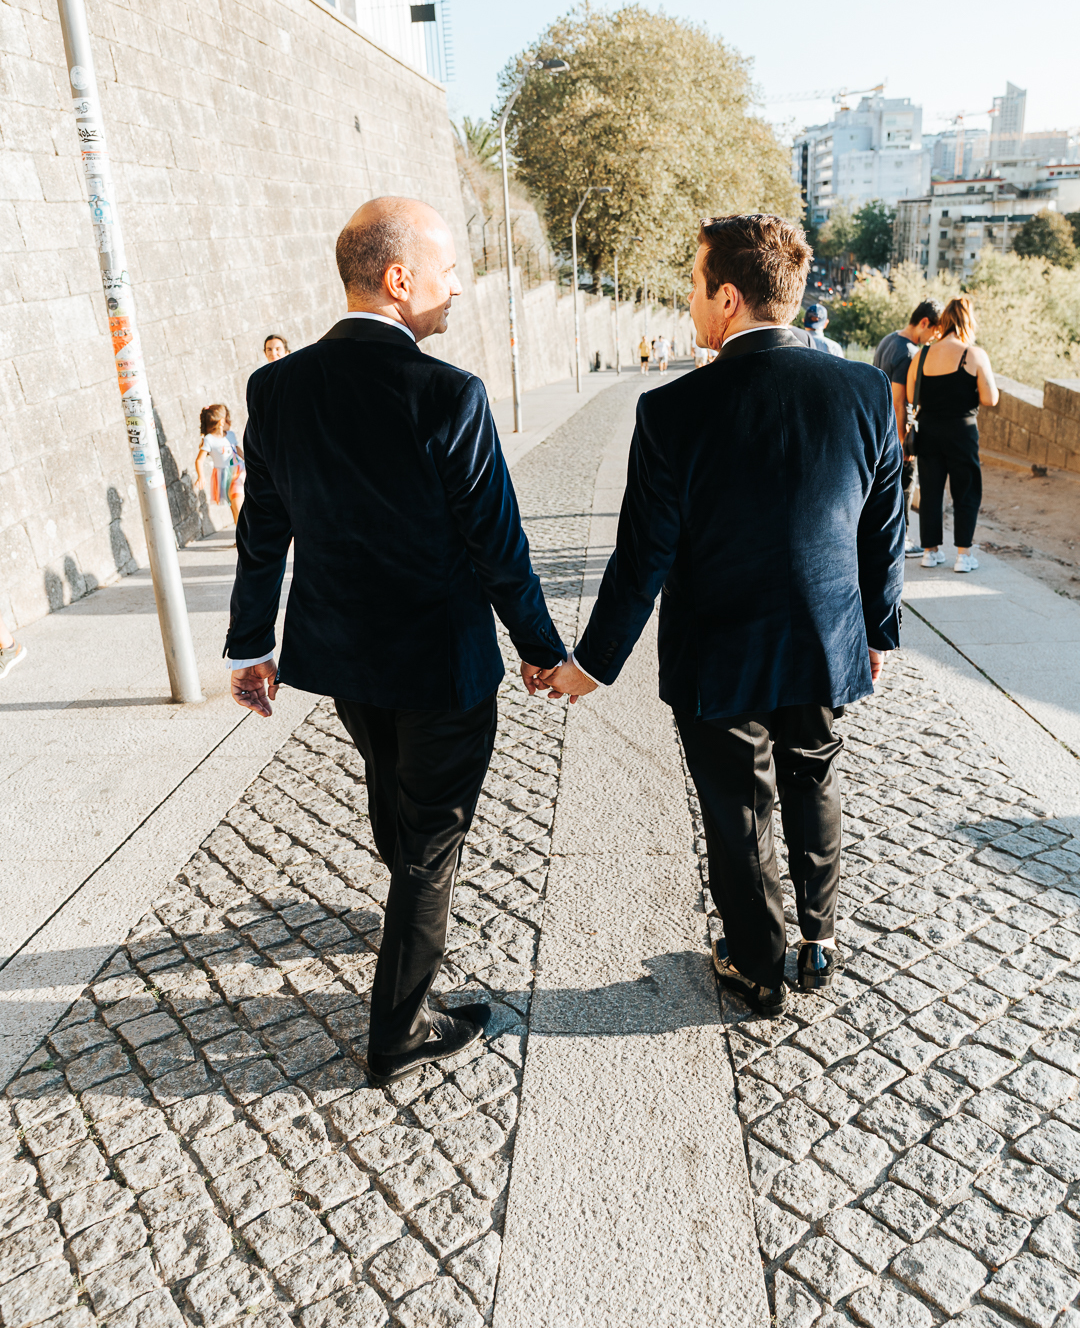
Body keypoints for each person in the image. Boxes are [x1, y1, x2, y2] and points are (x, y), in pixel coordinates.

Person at [225, 196, 566, 1086]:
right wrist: (540, 647)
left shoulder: (276, 388)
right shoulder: (448, 394)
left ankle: (407, 907)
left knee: (392, 793)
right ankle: (400, 1029)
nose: (457, 287)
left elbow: (263, 531)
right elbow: (497, 545)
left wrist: (250, 645)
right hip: (442, 666)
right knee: (430, 844)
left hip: (345, 661)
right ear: (400, 278)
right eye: (448, 271)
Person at [540, 214, 904, 1019]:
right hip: (824, 634)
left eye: (696, 286)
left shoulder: (673, 410)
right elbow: (884, 527)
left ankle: (758, 967)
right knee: (814, 772)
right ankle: (819, 940)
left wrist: (591, 664)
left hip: (718, 651)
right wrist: (878, 630)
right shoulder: (863, 391)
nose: (691, 302)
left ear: (729, 297)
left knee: (738, 805)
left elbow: (643, 557)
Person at [907, 296, 999, 574]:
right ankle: (963, 555)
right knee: (966, 490)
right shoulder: (974, 355)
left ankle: (930, 551)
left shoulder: (922, 355)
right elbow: (990, 398)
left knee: (931, 491)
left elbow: (911, 395)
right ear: (969, 322)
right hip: (961, 431)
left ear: (944, 321)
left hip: (929, 431)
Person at [873, 300, 943, 556]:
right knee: (904, 484)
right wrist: (903, 440)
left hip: (880, 426)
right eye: (935, 331)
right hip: (895, 431)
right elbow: (899, 400)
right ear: (924, 323)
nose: (934, 338)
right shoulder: (908, 352)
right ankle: (901, 540)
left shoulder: (888, 340)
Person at [195, 405, 245, 526]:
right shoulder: (209, 440)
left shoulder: (230, 435)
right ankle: (241, 532)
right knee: (234, 508)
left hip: (238, 472)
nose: (230, 421)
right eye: (228, 418)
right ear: (222, 422)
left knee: (238, 504)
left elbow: (237, 450)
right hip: (224, 476)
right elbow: (199, 460)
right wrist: (201, 476)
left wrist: (248, 460)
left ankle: (246, 532)